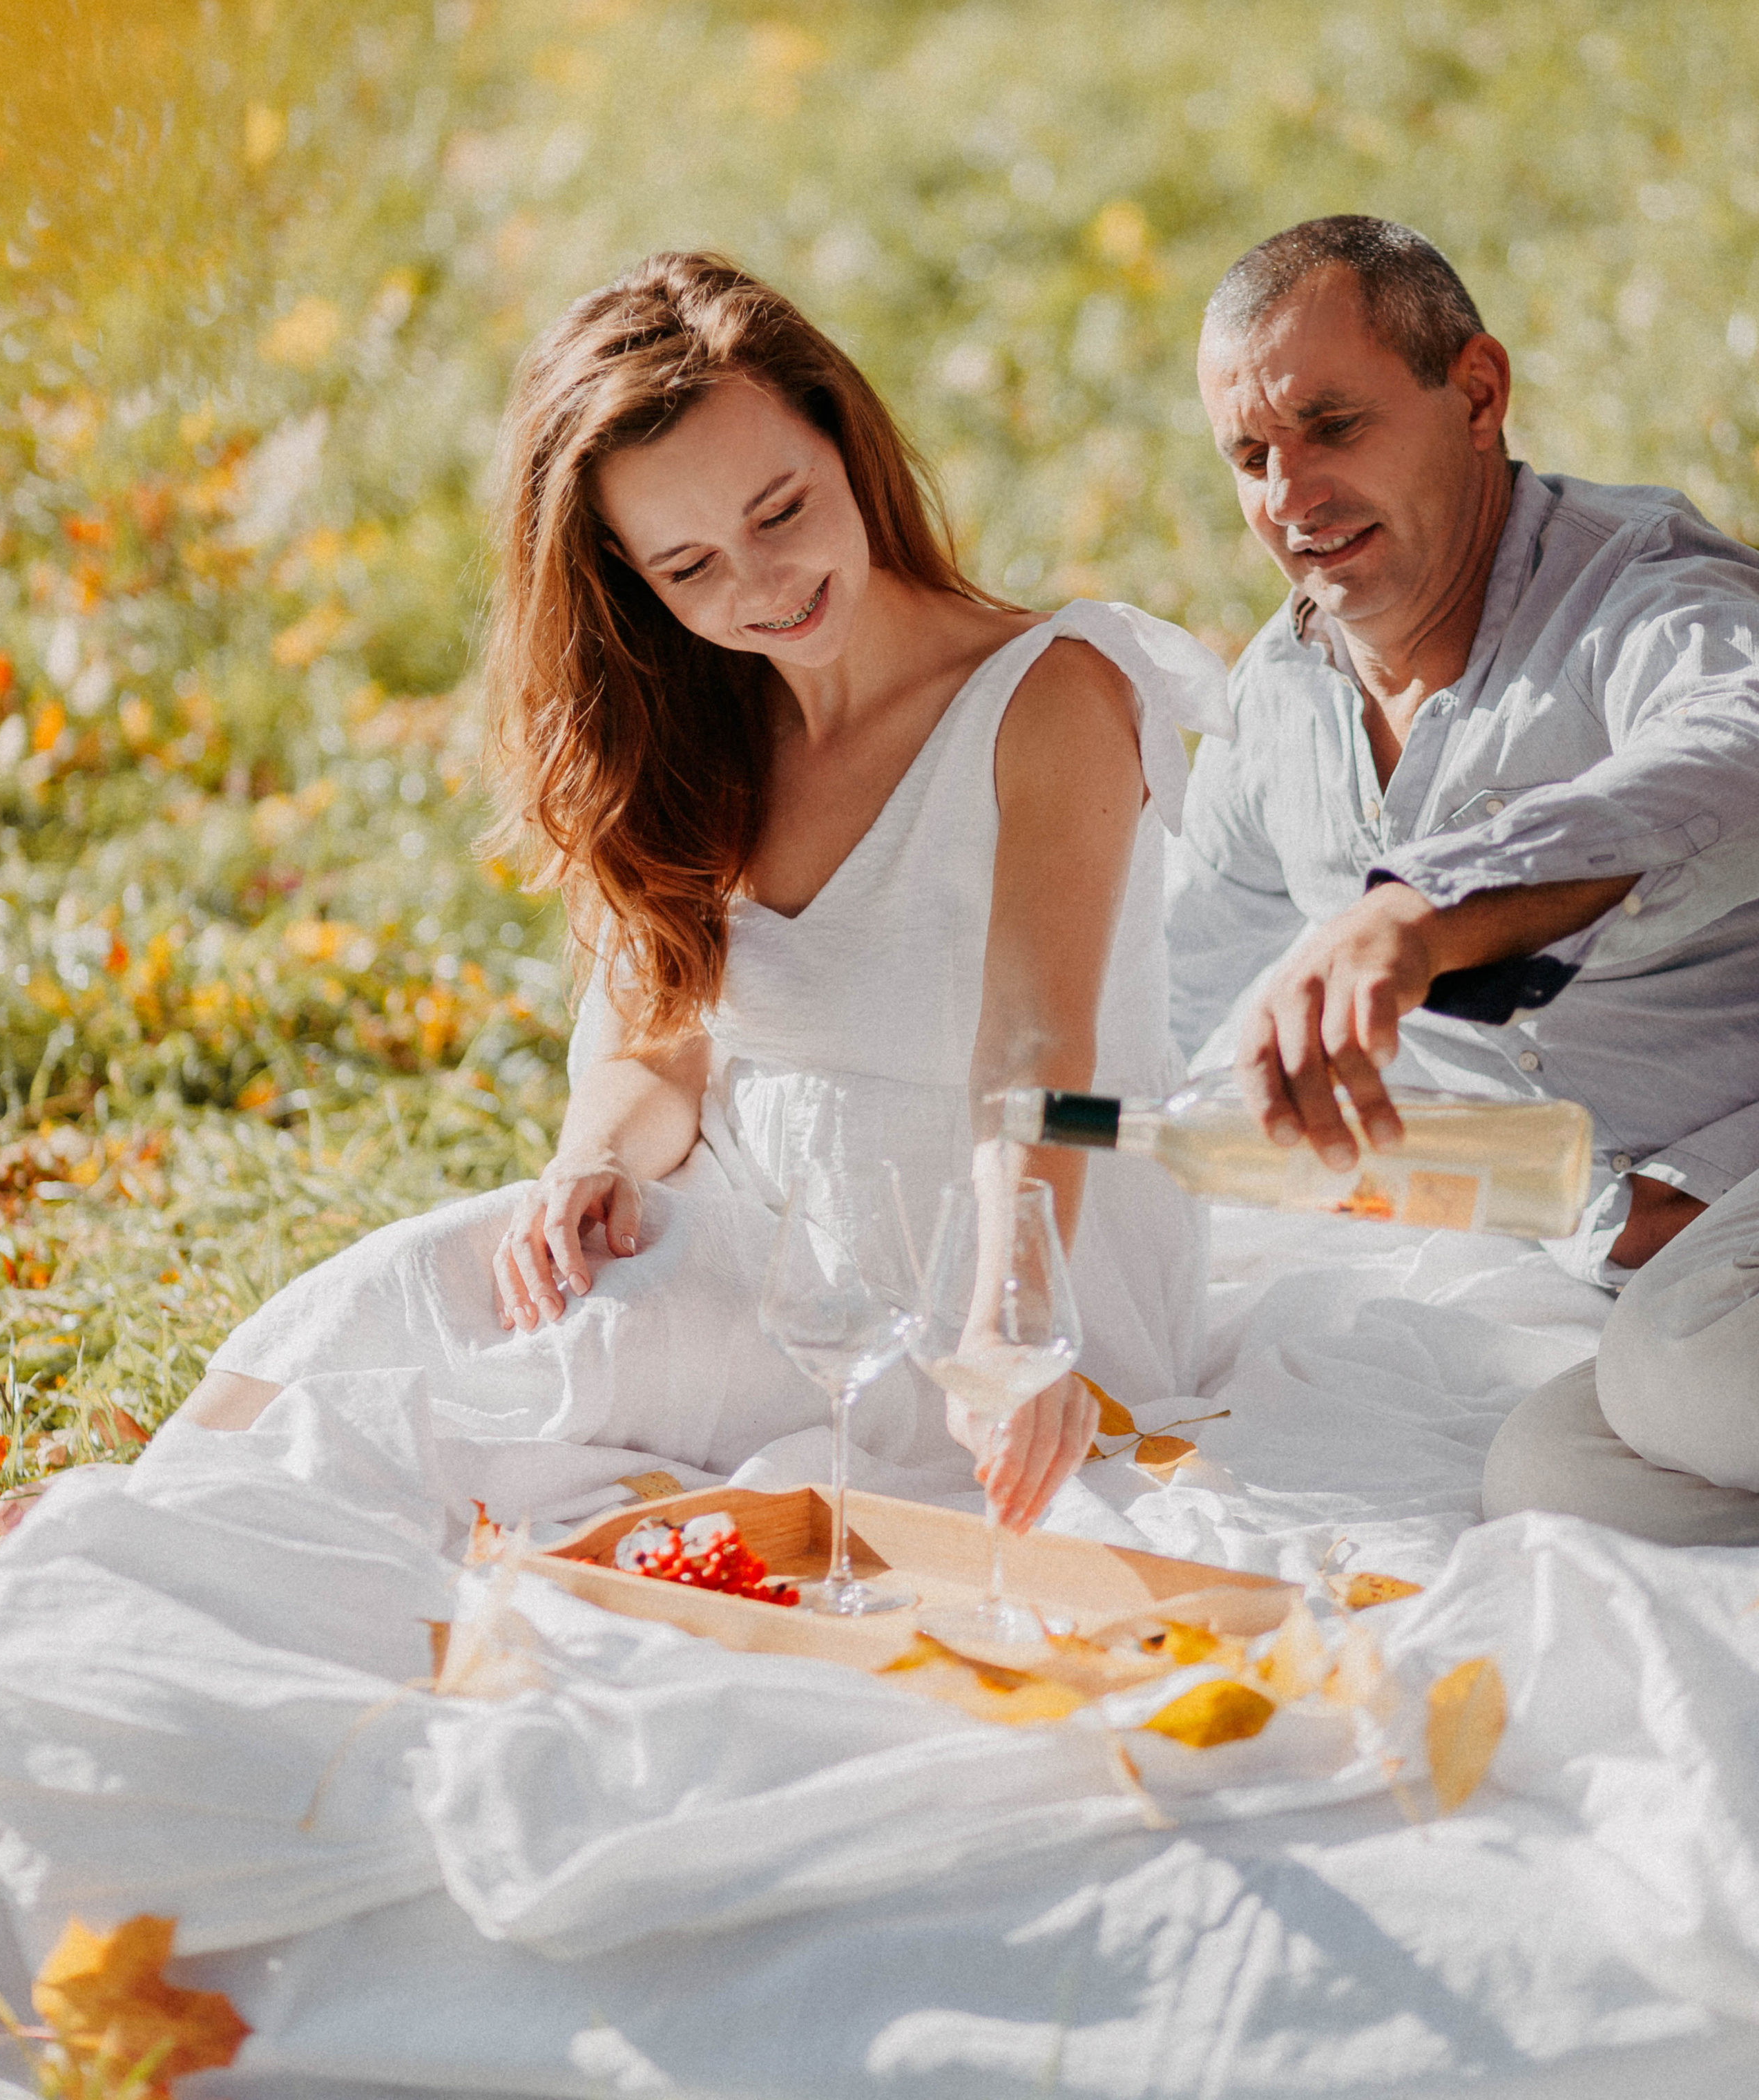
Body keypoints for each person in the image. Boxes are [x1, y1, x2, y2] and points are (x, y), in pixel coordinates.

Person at [98, 251, 1230, 1540]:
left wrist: (1015, 1314)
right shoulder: (700, 728)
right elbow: (664, 1047)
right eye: (688, 568)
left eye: (781, 510)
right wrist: (592, 1163)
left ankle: (165, 1535)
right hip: (773, 1250)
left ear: (845, 442)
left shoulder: (1053, 696)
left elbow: (1041, 1046)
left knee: (505, 1402)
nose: (758, 588)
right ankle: (141, 1518)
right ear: (632, 583)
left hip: (1019, 1273)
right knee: (420, 1284)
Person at [1164, 213, 1759, 1545]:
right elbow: (1175, 988)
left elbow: (1736, 747)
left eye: (1336, 427)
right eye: (1251, 456)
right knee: (1557, 1486)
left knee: (1689, 1375)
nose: (1291, 495)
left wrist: (1423, 911)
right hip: (1656, 1272)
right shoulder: (1280, 704)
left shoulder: (1642, 591)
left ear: (1477, 394)